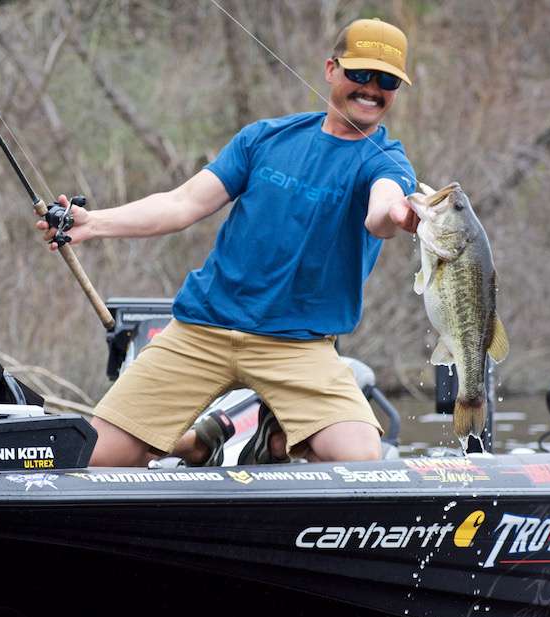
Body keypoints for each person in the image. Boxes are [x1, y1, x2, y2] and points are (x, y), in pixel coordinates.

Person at [37, 18, 420, 467]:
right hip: (203, 327)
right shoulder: (264, 138)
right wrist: (93, 223)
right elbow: (182, 203)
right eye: (360, 73)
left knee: (358, 460)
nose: (372, 89)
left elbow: (380, 214)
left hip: (297, 345)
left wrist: (398, 215)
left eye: (387, 81)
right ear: (331, 69)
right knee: (96, 459)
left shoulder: (388, 162)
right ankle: (199, 442)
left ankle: (277, 438)